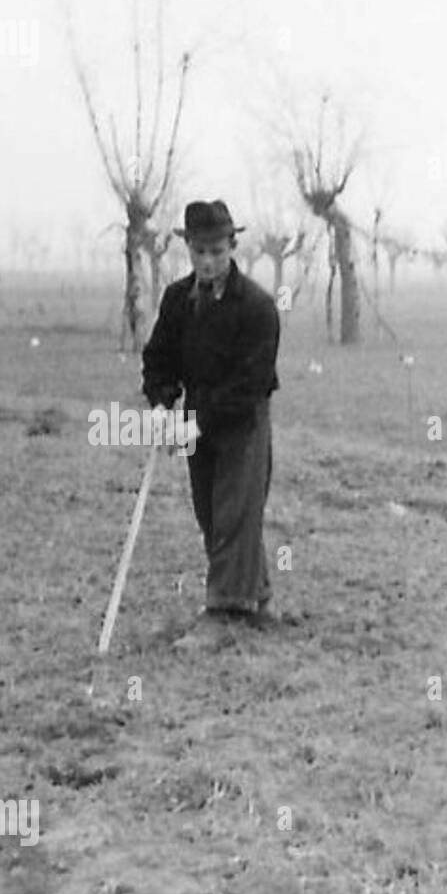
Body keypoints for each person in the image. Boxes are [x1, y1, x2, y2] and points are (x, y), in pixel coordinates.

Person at [142, 200, 281, 650]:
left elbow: (252, 383)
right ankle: (255, 599)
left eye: (217, 251)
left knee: (234, 512)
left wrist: (196, 423)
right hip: (195, 420)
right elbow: (158, 358)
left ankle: (223, 614)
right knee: (209, 512)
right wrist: (162, 404)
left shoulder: (257, 307)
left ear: (232, 246)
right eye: (199, 251)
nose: (207, 261)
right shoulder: (178, 300)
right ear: (188, 248)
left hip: (243, 421)